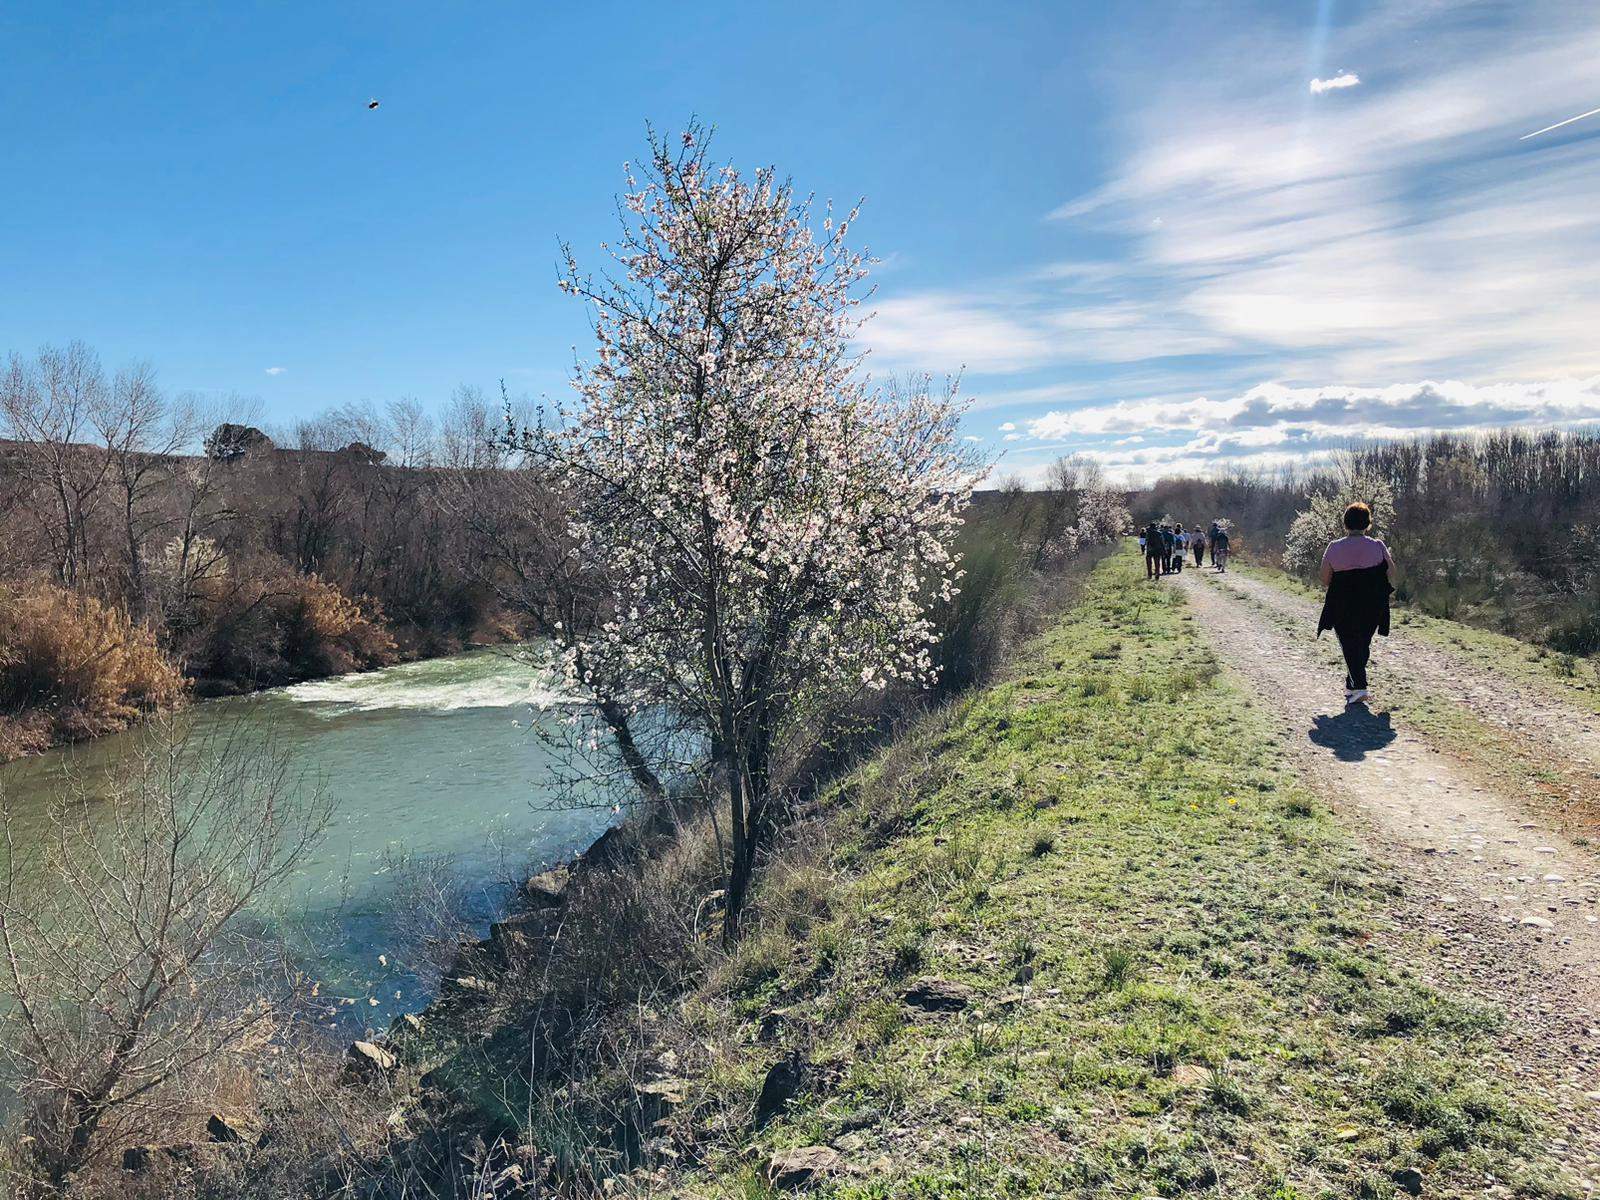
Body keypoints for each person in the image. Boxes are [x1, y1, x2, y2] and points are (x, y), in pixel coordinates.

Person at [1316, 502, 1395, 705]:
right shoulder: (1378, 546)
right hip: (1372, 602)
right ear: (1368, 523)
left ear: (1345, 523)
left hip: (1343, 601)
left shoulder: (1334, 548)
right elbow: (1392, 574)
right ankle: (1352, 686)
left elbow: (1325, 579)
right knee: (1362, 642)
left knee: (1349, 643)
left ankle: (1360, 686)